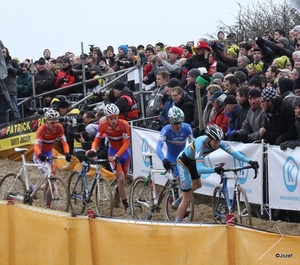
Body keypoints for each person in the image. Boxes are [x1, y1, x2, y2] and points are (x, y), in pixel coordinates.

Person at [175, 124, 259, 222]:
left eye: (219, 142)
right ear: (208, 139)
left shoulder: (219, 142)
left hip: (193, 162)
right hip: (183, 163)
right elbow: (200, 169)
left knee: (198, 185)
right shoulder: (200, 144)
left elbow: (234, 153)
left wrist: (250, 161)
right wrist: (215, 169)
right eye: (215, 142)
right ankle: (177, 224)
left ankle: (179, 198)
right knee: (187, 199)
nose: (217, 145)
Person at [86, 104, 131, 213]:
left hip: (124, 153)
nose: (114, 121)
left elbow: (126, 144)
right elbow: (97, 140)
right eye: (111, 118)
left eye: (115, 118)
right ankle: (126, 206)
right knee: (120, 178)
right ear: (107, 118)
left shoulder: (124, 125)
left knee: (122, 180)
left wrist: (117, 156)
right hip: (112, 153)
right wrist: (93, 149)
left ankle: (117, 190)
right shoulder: (103, 125)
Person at [156, 106, 194, 211]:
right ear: (170, 121)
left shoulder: (187, 128)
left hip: (182, 158)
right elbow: (158, 147)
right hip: (171, 158)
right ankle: (174, 198)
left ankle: (180, 203)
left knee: (185, 181)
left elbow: (192, 144)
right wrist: (164, 159)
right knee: (179, 180)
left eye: (180, 123)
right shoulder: (166, 130)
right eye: (176, 123)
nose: (179, 126)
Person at [33, 109, 71, 208]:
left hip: (49, 154)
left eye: (56, 122)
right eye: (52, 123)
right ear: (47, 122)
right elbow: (36, 146)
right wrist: (40, 155)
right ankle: (47, 204)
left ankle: (38, 192)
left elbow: (64, 143)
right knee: (51, 180)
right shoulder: (42, 129)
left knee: (52, 181)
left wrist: (67, 153)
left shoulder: (59, 127)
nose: (54, 125)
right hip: (39, 156)